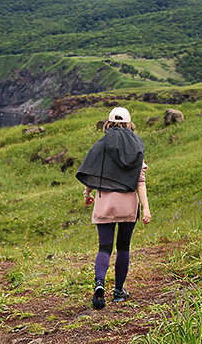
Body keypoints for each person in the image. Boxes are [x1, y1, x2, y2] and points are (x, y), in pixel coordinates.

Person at [76, 107, 151, 309]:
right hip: (128, 203)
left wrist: (87, 194)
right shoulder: (136, 144)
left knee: (105, 247)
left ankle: (99, 284)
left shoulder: (101, 144)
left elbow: (92, 171)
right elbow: (140, 180)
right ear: (129, 123)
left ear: (108, 123)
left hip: (105, 202)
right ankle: (118, 291)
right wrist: (146, 208)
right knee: (123, 247)